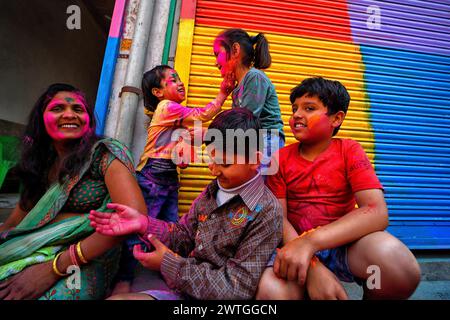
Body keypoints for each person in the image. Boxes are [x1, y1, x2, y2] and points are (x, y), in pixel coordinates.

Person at [89, 108, 283, 300]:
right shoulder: (213, 191)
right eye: (211, 159)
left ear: (255, 160)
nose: (213, 171)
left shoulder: (266, 211)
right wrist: (144, 224)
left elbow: (236, 288)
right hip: (183, 292)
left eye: (224, 164)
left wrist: (169, 264)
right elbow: (183, 236)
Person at [257, 77, 421, 300]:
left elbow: (376, 212)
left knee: (398, 268)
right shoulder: (279, 159)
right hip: (292, 244)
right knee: (272, 293)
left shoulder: (349, 150)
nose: (296, 114)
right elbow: (278, 218)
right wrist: (311, 264)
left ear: (336, 118)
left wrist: (311, 242)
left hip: (342, 246)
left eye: (309, 108)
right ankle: (304, 287)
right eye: (294, 108)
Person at [0, 83, 147, 300]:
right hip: (37, 246)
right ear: (41, 118)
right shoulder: (39, 165)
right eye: (57, 108)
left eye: (78, 109)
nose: (70, 114)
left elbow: (131, 218)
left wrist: (55, 268)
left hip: (89, 255)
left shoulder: (104, 154)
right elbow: (19, 222)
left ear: (88, 120)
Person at [111, 65, 234, 294]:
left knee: (172, 229)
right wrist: (222, 94)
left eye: (179, 78)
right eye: (173, 79)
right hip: (152, 177)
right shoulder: (167, 107)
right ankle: (124, 277)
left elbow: (182, 150)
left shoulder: (175, 118)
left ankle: (167, 270)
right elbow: (201, 115)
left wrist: (184, 148)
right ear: (158, 92)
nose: (180, 82)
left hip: (166, 177)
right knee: (141, 230)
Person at [213, 28, 285, 175]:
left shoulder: (254, 77)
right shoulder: (238, 86)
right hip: (253, 140)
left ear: (235, 50)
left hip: (267, 140)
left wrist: (211, 134)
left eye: (217, 54)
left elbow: (244, 121)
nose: (216, 62)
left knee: (256, 188)